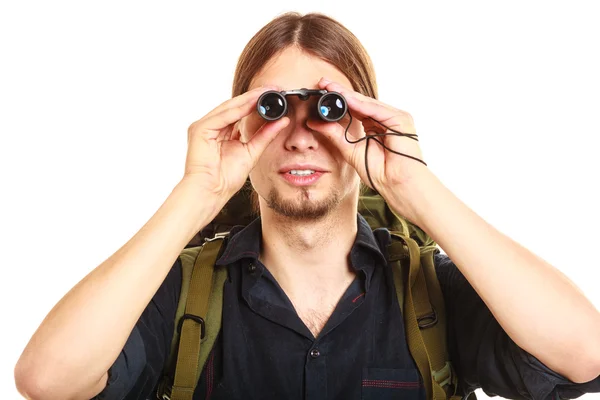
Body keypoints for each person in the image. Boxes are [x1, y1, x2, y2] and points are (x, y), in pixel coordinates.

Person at [14, 11, 600, 400]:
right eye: (273, 108)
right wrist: (198, 195)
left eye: (328, 108)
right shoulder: (188, 296)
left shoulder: (430, 294)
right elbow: (47, 381)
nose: (299, 136)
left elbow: (586, 352)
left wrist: (416, 187)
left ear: (366, 124)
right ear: (241, 123)